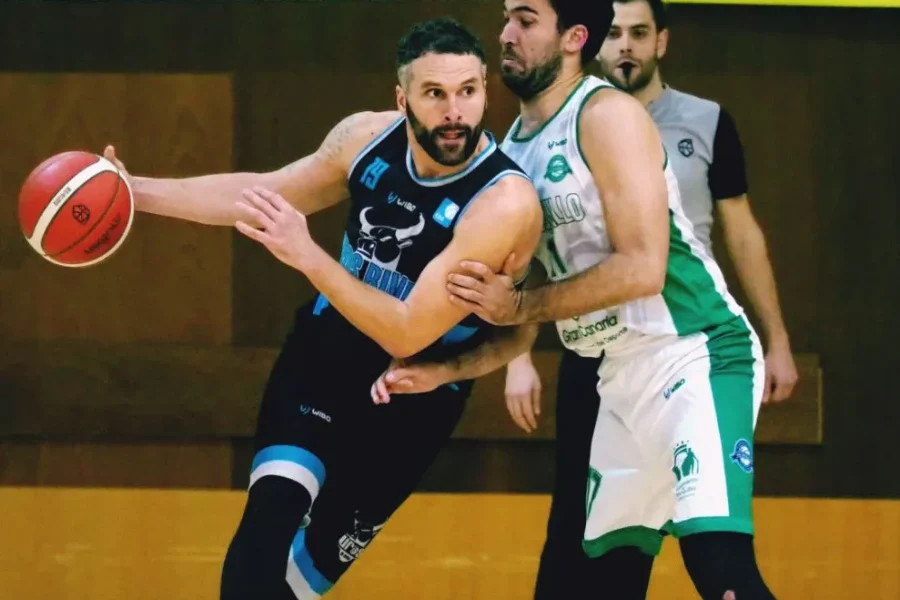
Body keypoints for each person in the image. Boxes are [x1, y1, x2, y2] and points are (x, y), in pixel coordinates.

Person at [103, 17, 543, 599]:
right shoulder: (364, 139)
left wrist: (307, 256)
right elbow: (260, 194)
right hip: (328, 356)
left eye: (467, 91)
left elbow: (408, 332)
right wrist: (133, 192)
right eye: (434, 94)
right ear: (402, 97)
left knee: (294, 587)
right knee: (264, 530)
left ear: (486, 89)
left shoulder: (502, 202)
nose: (454, 111)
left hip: (412, 393)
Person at [375, 1, 777, 598]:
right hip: (617, 378)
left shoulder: (606, 114)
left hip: (694, 355)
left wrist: (519, 307)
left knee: (720, 570)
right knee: (593, 583)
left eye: (525, 19)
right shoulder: (513, 148)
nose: (505, 34)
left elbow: (643, 267)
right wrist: (445, 369)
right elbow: (520, 314)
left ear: (574, 38)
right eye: (507, 17)